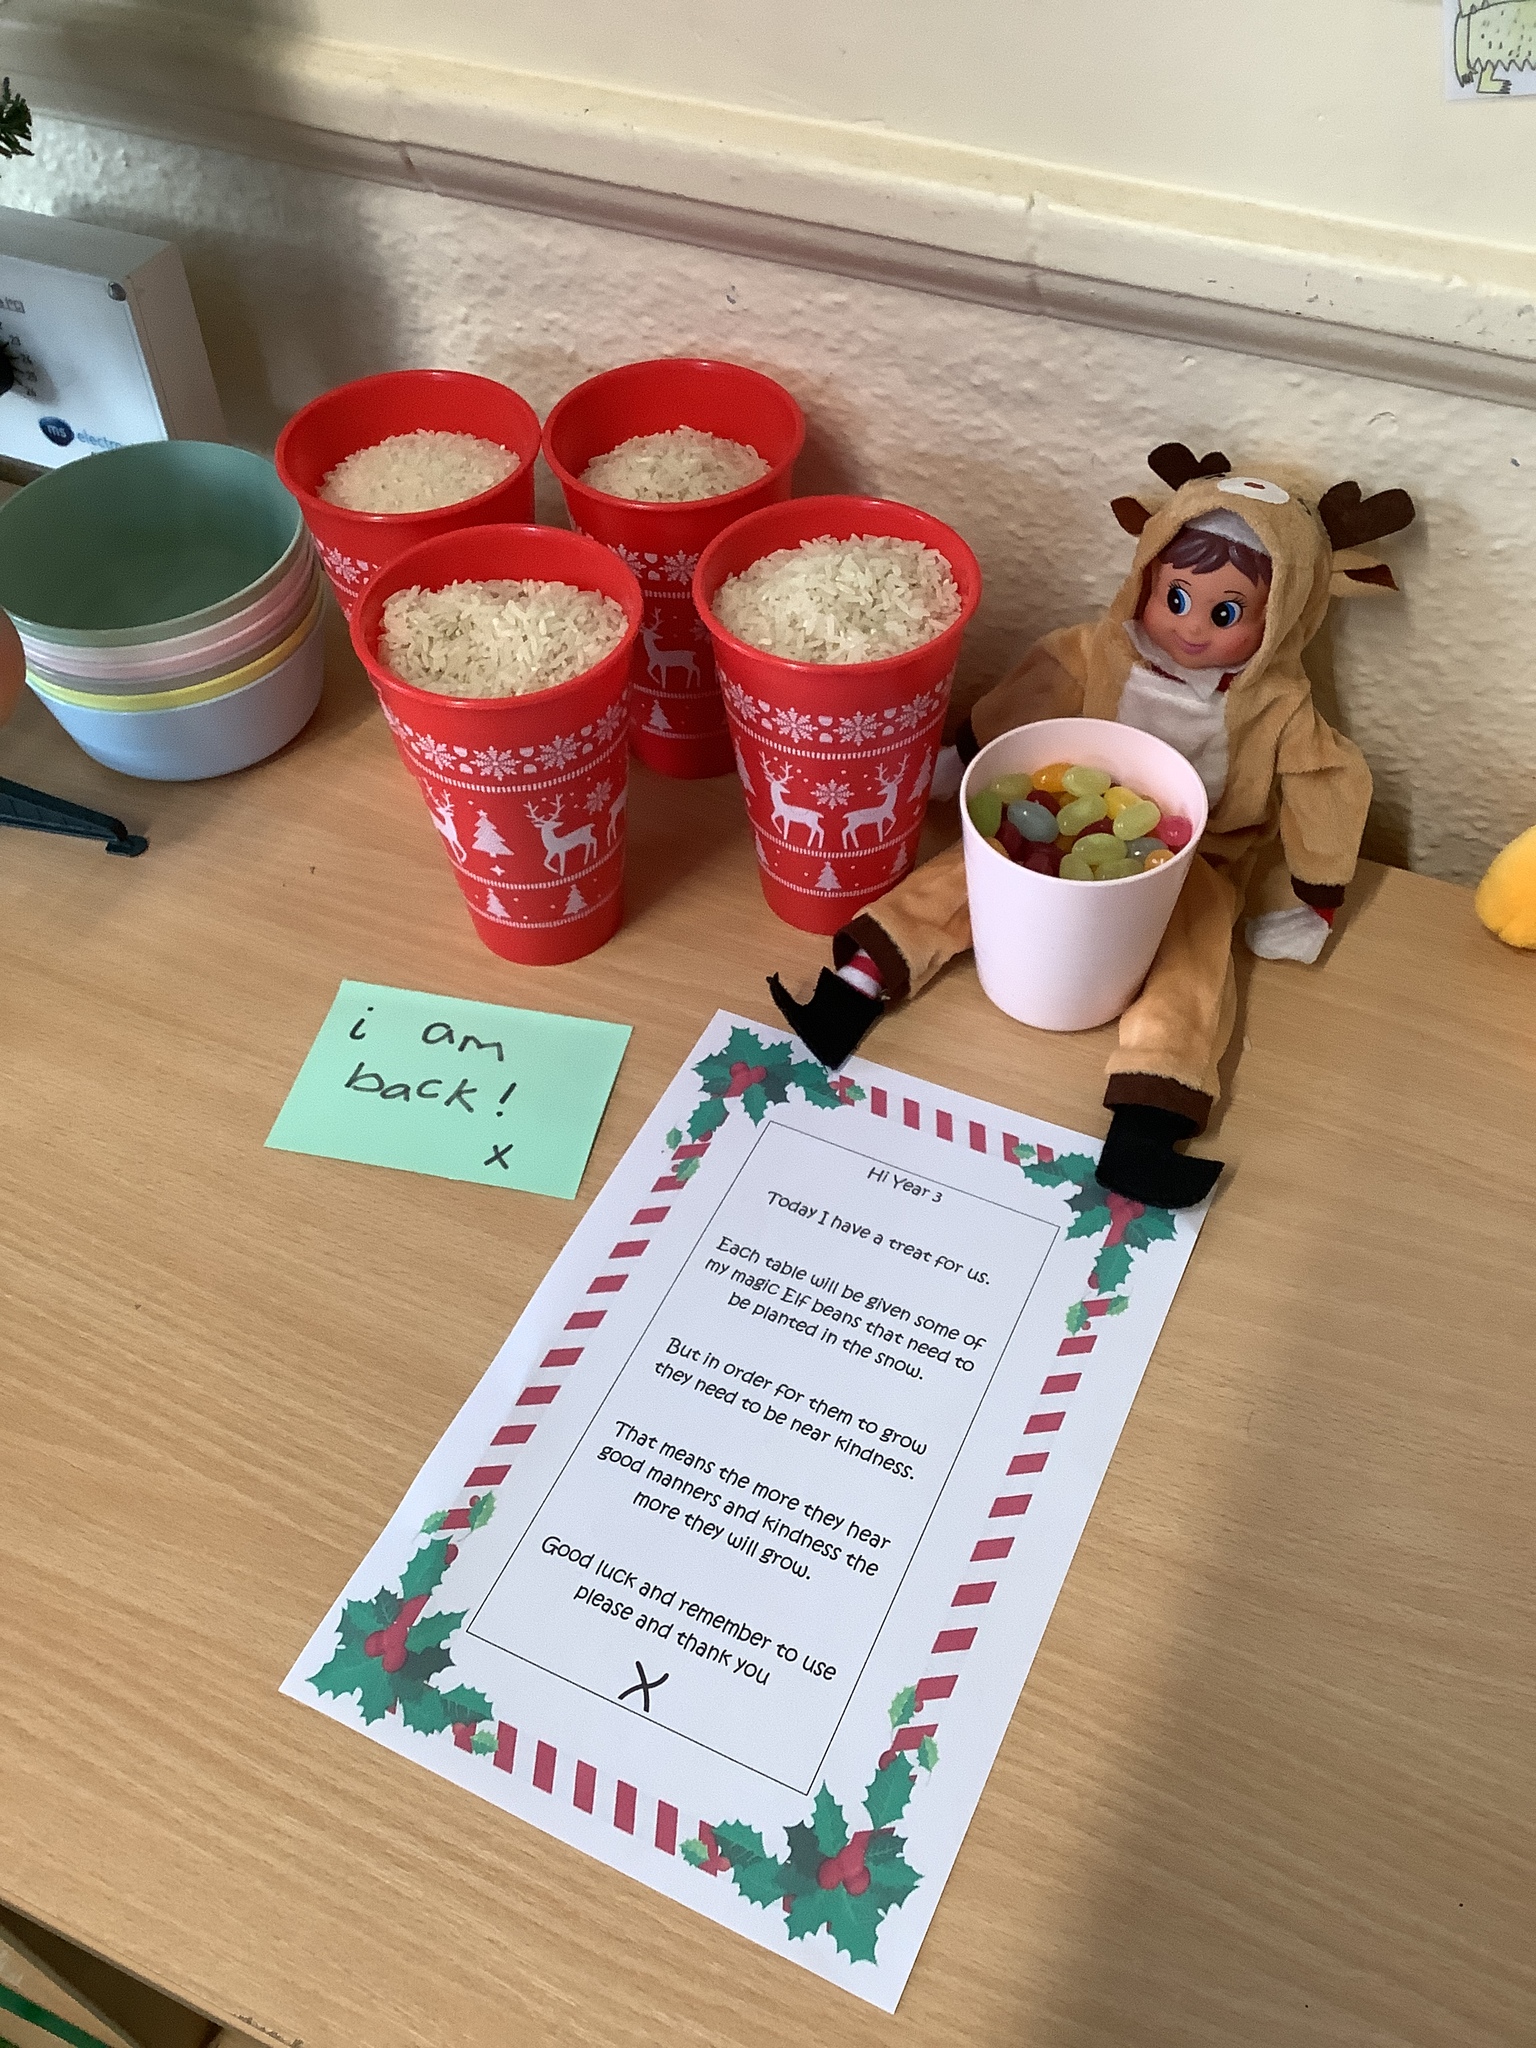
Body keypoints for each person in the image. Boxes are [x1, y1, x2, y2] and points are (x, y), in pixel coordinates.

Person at [770, 443, 1414, 1209]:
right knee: (957, 878)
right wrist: (969, 752)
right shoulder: (1101, 648)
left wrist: (1314, 891)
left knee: (1192, 969)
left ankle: (1148, 1128)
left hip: (1199, 856)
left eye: (1227, 613)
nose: (1193, 629)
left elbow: (1325, 780)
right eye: (1177, 598)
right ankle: (852, 990)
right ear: (1147, 577)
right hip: (1057, 827)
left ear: (1283, 618)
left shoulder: (1278, 706)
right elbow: (1036, 686)